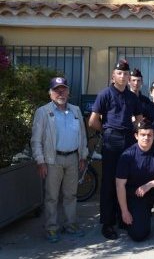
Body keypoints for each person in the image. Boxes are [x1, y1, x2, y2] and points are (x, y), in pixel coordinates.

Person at [89, 59, 143, 240]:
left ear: (129, 77)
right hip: (111, 142)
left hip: (128, 141)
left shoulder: (132, 97)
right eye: (119, 73)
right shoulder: (105, 94)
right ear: (113, 76)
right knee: (109, 183)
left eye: (126, 74)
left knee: (126, 181)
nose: (123, 76)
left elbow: (140, 120)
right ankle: (107, 222)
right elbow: (92, 121)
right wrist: (107, 131)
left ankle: (123, 218)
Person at [31, 77, 88, 242]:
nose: (60, 92)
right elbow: (36, 140)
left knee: (71, 195)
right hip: (52, 159)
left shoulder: (76, 110)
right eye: (57, 90)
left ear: (68, 92)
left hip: (72, 159)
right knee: (51, 196)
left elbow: (82, 136)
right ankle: (51, 228)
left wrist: (82, 156)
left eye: (63, 89)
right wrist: (40, 161)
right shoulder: (43, 112)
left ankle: (70, 224)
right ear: (50, 93)